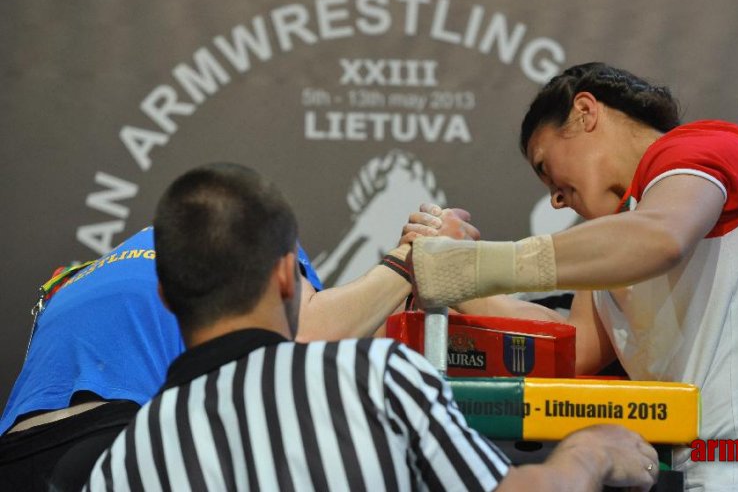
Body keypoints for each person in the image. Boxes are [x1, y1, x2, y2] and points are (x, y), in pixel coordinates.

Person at [83, 162, 659, 491]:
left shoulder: (126, 456)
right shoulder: (375, 375)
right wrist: (590, 450)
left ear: (163, 294)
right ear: (288, 277)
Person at [408, 62, 738, 491]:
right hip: (677, 474)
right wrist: (453, 277)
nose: (555, 199)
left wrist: (470, 264)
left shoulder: (705, 145)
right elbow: (571, 346)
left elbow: (662, 237)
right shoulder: (624, 235)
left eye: (546, 167)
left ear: (585, 111)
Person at [0, 204, 443, 490]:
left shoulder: (116, 266)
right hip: (111, 447)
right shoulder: (253, 246)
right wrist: (411, 260)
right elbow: (311, 336)